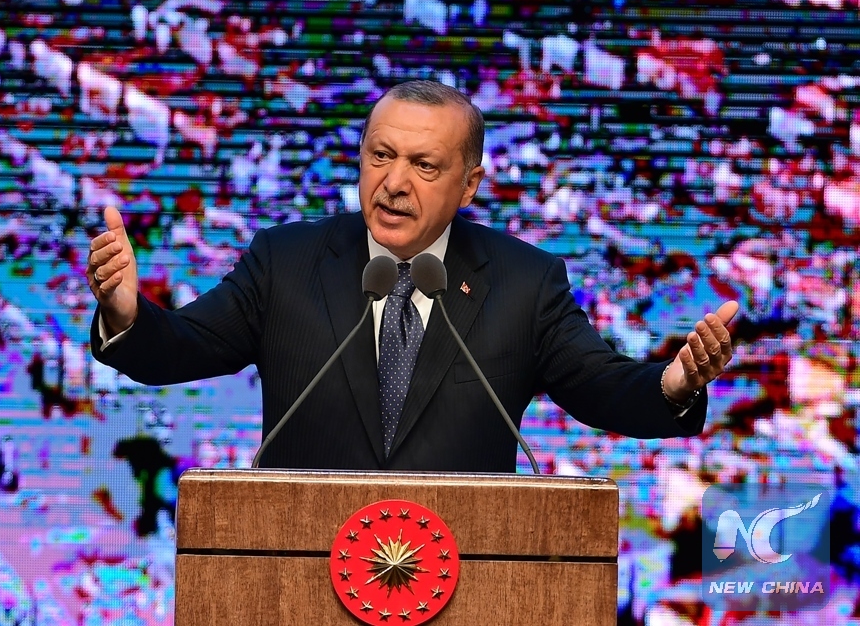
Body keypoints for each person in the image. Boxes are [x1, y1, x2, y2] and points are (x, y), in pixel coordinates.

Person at [86, 80, 738, 473]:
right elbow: (181, 347)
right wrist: (124, 312)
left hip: (464, 581)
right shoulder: (286, 261)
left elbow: (601, 387)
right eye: (380, 155)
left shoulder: (525, 282)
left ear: (469, 184)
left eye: (424, 165)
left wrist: (675, 383)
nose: (393, 183)